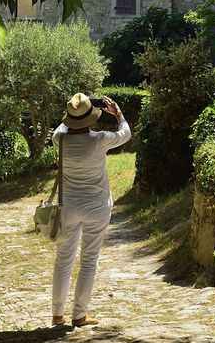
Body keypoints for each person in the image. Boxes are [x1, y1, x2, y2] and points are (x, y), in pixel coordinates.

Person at [50, 92, 132, 328]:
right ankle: (79, 315)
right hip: (97, 207)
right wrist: (118, 114)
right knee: (89, 260)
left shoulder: (60, 139)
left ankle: (57, 314)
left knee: (63, 260)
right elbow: (125, 133)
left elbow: (62, 127)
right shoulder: (100, 140)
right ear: (91, 118)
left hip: (68, 208)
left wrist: (71, 113)